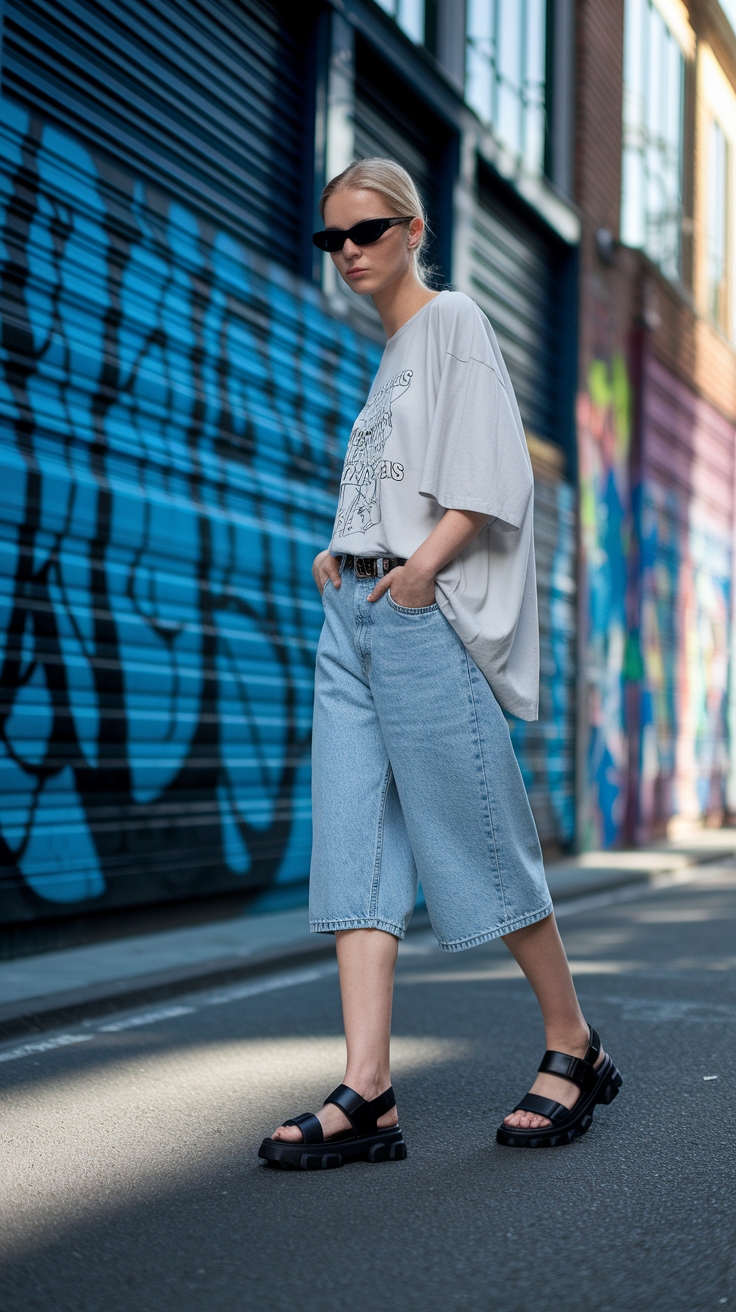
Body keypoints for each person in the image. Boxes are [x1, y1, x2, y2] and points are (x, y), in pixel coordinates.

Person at [258, 158, 621, 1169]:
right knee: (354, 842)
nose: (349, 253)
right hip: (355, 610)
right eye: (332, 239)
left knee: (476, 828)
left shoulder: (453, 318)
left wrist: (418, 568)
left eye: (367, 231)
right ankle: (367, 1088)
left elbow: (490, 469)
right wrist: (349, 544)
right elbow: (398, 479)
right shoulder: (387, 357)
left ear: (414, 230)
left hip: (414, 614)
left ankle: (573, 1042)